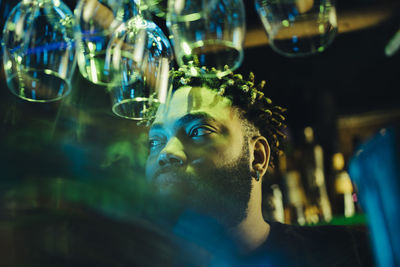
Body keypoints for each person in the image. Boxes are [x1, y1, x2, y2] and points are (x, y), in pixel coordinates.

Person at [145, 68, 375, 266]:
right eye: (155, 142)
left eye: (200, 131)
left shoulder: (347, 254)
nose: (166, 152)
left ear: (257, 156)